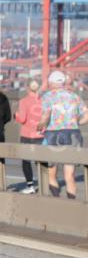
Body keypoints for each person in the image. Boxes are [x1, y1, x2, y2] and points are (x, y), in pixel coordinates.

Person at [37, 70, 88, 199]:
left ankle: (57, 199)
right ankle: (71, 203)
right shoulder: (74, 96)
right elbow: (86, 116)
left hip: (53, 134)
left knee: (51, 171)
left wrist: (40, 126)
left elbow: (46, 115)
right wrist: (76, 123)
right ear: (63, 83)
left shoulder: (47, 96)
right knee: (69, 174)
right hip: (73, 134)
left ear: (51, 83)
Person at [14, 80, 44, 194]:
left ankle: (30, 185)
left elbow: (22, 119)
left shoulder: (24, 101)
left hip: (27, 135)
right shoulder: (43, 101)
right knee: (40, 160)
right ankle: (43, 184)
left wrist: (15, 115)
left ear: (27, 88)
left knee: (26, 161)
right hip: (41, 134)